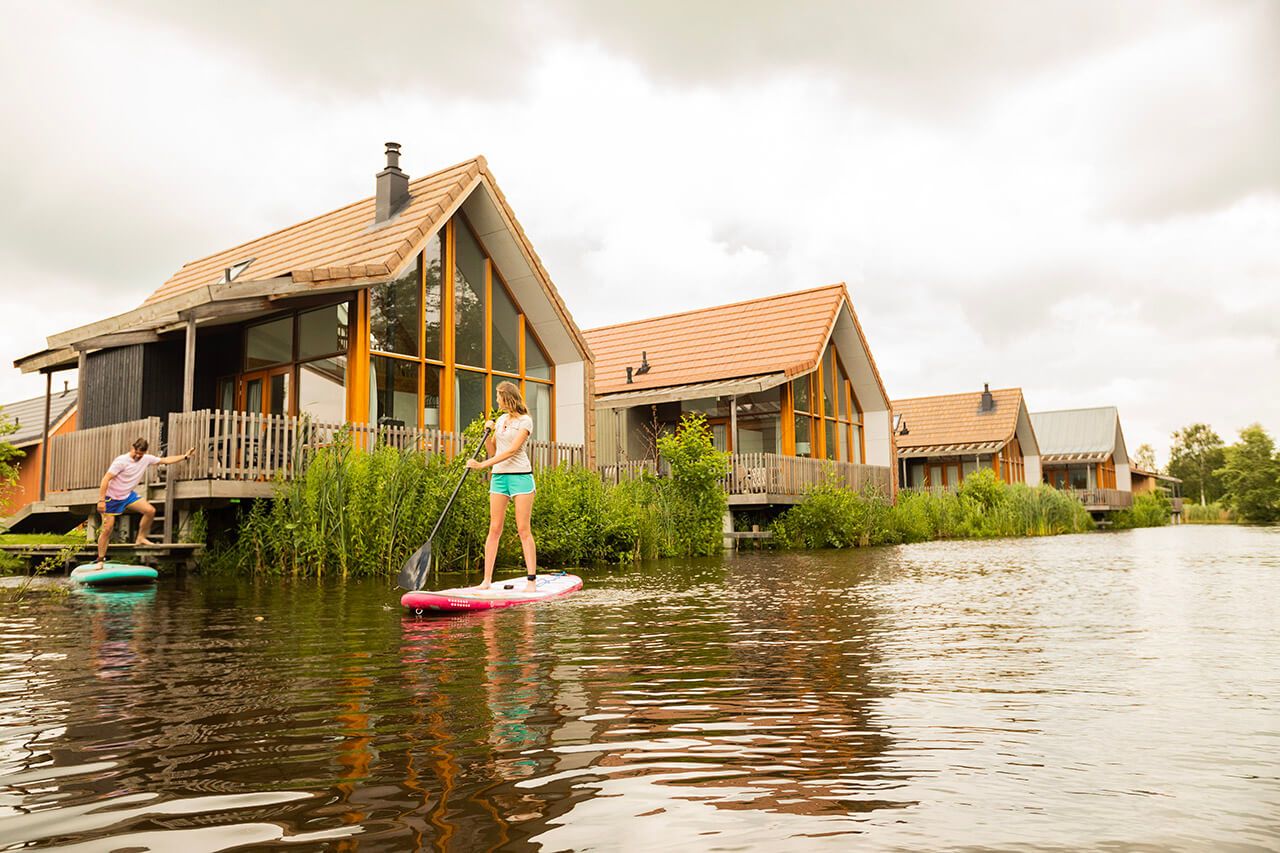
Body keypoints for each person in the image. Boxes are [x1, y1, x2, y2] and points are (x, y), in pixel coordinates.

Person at [466, 381, 537, 592]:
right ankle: (486, 580)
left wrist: (481, 466)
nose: (496, 401)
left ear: (507, 398)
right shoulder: (501, 420)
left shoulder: (525, 421)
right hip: (499, 478)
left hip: (521, 477)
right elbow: (493, 450)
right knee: (494, 528)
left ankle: (531, 580)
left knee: (523, 529)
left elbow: (512, 451)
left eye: (498, 397)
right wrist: (487, 432)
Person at [94, 437, 193, 568]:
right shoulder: (121, 461)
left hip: (127, 495)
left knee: (150, 511)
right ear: (132, 448)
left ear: (145, 452)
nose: (137, 456)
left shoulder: (146, 459)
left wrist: (185, 456)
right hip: (111, 497)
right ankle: (100, 560)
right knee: (107, 528)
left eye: (141, 454)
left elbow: (166, 460)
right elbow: (106, 479)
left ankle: (140, 538)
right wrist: (101, 500)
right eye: (136, 453)